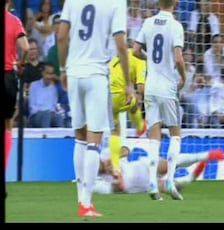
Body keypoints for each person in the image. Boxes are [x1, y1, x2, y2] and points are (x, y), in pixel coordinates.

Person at [57, 0, 132, 217]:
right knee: (94, 139)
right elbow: (120, 44)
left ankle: (81, 197)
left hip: (74, 72)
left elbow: (61, 36)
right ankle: (86, 203)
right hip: (97, 74)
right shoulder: (116, 3)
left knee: (79, 136)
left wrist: (63, 68)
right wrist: (128, 82)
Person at [133, 0, 186, 201]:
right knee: (175, 133)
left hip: (151, 86)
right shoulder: (175, 26)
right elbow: (179, 58)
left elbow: (135, 51)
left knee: (154, 136)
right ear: (175, 3)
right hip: (167, 86)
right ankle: (170, 180)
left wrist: (151, 61)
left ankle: (153, 183)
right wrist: (184, 76)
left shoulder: (147, 23)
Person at [94, 146, 224, 196]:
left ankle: (205, 155)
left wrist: (114, 158)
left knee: (169, 164)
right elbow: (119, 188)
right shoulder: (96, 182)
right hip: (142, 186)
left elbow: (126, 150)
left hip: (143, 167)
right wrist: (115, 174)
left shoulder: (106, 154)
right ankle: (189, 178)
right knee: (174, 187)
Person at [108, 48, 147, 180]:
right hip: (121, 95)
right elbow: (141, 88)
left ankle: (115, 168)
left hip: (106, 95)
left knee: (115, 131)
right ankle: (140, 126)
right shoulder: (141, 59)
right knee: (135, 104)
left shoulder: (123, 54)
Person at [4, 0, 29, 171]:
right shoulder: (14, 21)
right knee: (7, 124)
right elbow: (26, 48)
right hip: (7, 76)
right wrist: (22, 63)